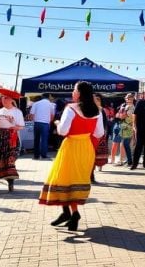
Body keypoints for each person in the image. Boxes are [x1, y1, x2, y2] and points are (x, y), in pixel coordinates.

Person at [39, 81, 104, 231]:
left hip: (71, 146)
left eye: (74, 90)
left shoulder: (71, 109)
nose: (72, 93)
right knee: (74, 180)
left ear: (79, 93)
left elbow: (62, 131)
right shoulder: (98, 111)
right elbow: (99, 133)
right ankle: (70, 213)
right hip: (86, 147)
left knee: (63, 180)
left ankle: (69, 213)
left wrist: (56, 123)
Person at [28, 94, 55, 160]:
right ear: (48, 97)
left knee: (36, 139)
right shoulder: (51, 105)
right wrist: (49, 122)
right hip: (46, 123)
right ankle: (44, 155)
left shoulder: (36, 103)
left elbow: (31, 115)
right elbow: (52, 115)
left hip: (37, 123)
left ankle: (36, 155)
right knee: (44, 140)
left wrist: (32, 120)